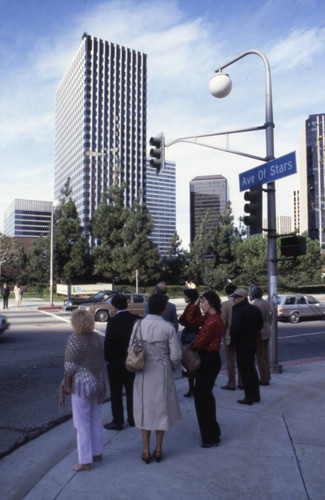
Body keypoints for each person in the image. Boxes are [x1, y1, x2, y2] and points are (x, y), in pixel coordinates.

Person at [130, 293, 182, 464]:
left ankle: (145, 450)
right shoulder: (168, 328)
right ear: (163, 308)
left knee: (144, 409)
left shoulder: (138, 325)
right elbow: (175, 355)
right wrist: (174, 366)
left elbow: (130, 348)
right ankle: (158, 449)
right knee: (161, 410)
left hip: (143, 370)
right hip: (161, 369)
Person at [60, 309, 106, 472]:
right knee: (95, 419)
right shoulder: (96, 338)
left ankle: (85, 460)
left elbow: (69, 367)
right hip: (97, 383)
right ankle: (97, 453)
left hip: (82, 385)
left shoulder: (74, 340)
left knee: (82, 424)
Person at [186, 291, 224, 448]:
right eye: (201, 303)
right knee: (205, 397)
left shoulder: (211, 321)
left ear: (211, 303)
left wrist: (189, 346)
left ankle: (210, 436)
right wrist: (195, 303)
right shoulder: (211, 318)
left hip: (208, 360)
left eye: (203, 302)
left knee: (202, 399)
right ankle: (212, 433)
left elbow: (198, 342)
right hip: (210, 359)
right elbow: (190, 320)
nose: (201, 305)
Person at [104, 294, 140, 430]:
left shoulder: (113, 321)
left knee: (116, 392)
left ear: (114, 307)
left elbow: (108, 342)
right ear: (127, 304)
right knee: (132, 391)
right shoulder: (135, 319)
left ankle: (118, 421)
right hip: (132, 359)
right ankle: (133, 418)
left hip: (115, 362)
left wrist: (107, 358)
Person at [230, 288, 263, 405]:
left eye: (236, 297)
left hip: (242, 343)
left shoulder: (238, 310)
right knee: (252, 369)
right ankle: (256, 394)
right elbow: (260, 325)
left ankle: (249, 396)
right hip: (252, 343)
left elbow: (234, 328)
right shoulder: (254, 309)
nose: (234, 299)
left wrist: (232, 339)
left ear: (242, 298)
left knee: (244, 371)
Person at [178, 288, 201, 397]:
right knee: (191, 360)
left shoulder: (192, 307)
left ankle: (193, 388)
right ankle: (193, 387)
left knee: (190, 360)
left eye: (186, 296)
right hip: (193, 333)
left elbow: (186, 319)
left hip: (190, 335)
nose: (184, 297)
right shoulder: (192, 307)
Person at [221, 283, 243, 391]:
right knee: (241, 360)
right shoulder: (242, 302)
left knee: (230, 360)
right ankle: (241, 382)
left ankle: (231, 383)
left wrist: (223, 335)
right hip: (241, 335)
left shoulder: (225, 304)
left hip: (228, 335)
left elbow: (223, 322)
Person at [250, 285, 272, 386]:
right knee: (265, 355)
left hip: (260, 332)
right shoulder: (266, 303)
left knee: (260, 356)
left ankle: (263, 378)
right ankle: (267, 375)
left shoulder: (255, 305)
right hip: (268, 330)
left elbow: (254, 322)